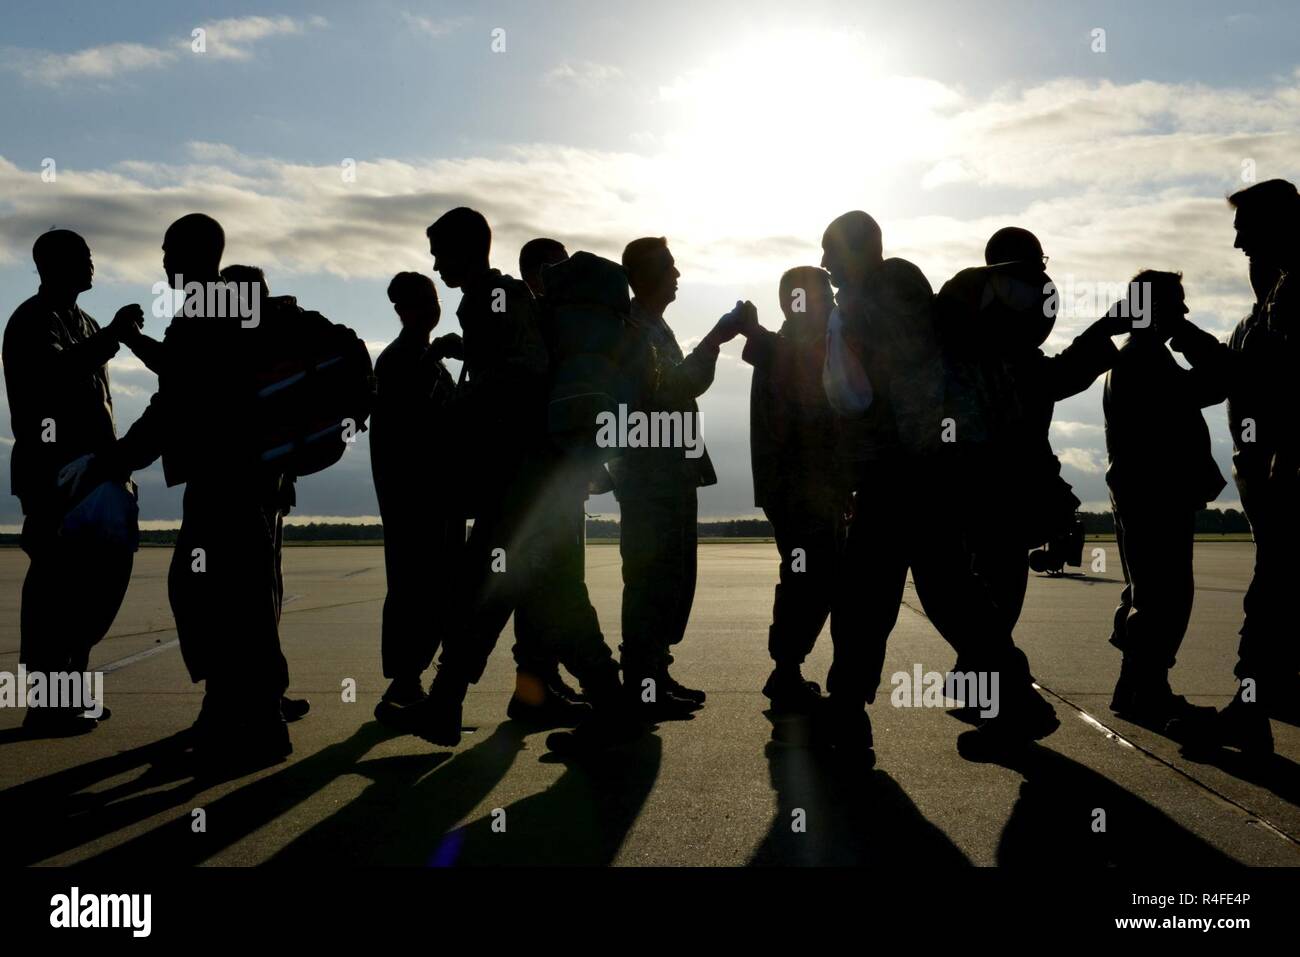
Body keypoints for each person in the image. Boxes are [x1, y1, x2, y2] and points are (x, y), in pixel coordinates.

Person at [819, 211, 1058, 764]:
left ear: (858, 250)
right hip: (914, 470)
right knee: (952, 596)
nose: (825, 263)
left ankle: (848, 713)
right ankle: (1015, 703)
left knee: (868, 596)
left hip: (903, 472)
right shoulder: (879, 294)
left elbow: (898, 384)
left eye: (831, 251)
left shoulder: (886, 291)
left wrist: (892, 459)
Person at [403, 208, 634, 754]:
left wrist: (461, 400)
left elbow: (523, 368)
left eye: (441, 252)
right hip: (531, 478)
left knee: (506, 593)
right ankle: (446, 703)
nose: (435, 264)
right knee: (510, 592)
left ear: (470, 248)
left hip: (523, 479)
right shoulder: (493, 299)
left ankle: (611, 707)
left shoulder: (491, 297)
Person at [109, 214, 296, 768]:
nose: (164, 261)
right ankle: (230, 712)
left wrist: (117, 457)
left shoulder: (206, 308)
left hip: (226, 482)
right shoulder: (232, 308)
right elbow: (184, 376)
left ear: (193, 254)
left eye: (169, 250)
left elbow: (179, 394)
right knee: (229, 598)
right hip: (244, 479)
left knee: (221, 600)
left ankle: (258, 723)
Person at [2, 229, 161, 735]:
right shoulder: (32, 320)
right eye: (83, 257)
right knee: (56, 586)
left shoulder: (85, 320)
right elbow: (54, 376)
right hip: (52, 476)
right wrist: (113, 335)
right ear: (52, 264)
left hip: (97, 476)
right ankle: (48, 705)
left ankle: (70, 690)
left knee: (96, 583)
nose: (92, 264)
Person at [937, 227, 1126, 640]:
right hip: (999, 485)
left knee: (988, 581)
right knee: (999, 581)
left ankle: (984, 667)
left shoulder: (967, 325)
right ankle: (987, 669)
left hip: (971, 481)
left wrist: (1102, 331)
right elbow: (1053, 376)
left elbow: (1051, 375)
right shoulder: (996, 346)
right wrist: (1104, 330)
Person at [1168, 179, 1300, 754]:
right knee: (1279, 592)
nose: (1239, 242)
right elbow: (1232, 376)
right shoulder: (1265, 304)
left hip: (1286, 473)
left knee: (1271, 594)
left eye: (1247, 230)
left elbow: (1269, 380)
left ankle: (1250, 714)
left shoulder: (1293, 295)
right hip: (1270, 475)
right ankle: (1268, 699)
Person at [609, 236, 749, 719]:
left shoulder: (650, 327)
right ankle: (644, 687)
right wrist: (715, 338)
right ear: (647, 275)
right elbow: (673, 389)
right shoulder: (635, 330)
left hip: (667, 472)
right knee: (651, 580)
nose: (678, 274)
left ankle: (655, 677)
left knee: (670, 579)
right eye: (669, 266)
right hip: (652, 476)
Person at [1103, 271, 1225, 731]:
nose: (1186, 313)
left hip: (1143, 492)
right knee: (1166, 597)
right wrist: (1188, 336)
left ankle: (1134, 687)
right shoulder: (1145, 359)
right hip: (1156, 495)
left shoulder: (1135, 357)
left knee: (1148, 592)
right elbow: (1217, 381)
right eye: (1177, 305)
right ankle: (1147, 691)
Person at [741, 266, 846, 712]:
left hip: (805, 489)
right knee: (808, 577)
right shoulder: (791, 351)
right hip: (800, 490)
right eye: (825, 297)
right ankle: (785, 670)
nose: (833, 305)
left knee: (810, 577)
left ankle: (786, 669)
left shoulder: (793, 347)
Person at [369, 272, 464, 714]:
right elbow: (412, 426)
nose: (432, 307)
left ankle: (412, 682)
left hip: (439, 495)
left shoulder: (427, 358)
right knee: (413, 587)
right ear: (402, 310)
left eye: (434, 299)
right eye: (422, 301)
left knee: (438, 587)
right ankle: (404, 683)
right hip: (413, 497)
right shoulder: (398, 360)